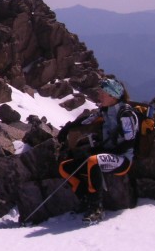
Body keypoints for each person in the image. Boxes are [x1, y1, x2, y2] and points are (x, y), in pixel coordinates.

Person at [57, 78, 139, 223]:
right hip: (109, 154)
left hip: (123, 159)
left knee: (93, 161)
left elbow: (130, 141)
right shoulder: (105, 110)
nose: (99, 95)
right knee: (65, 168)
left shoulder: (125, 114)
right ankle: (86, 200)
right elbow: (87, 120)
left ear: (112, 96)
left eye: (103, 93)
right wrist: (68, 128)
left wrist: (107, 151)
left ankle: (96, 208)